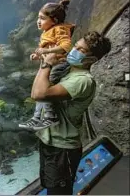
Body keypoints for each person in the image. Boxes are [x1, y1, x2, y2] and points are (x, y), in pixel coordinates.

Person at [31, 31, 111, 195]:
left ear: (92, 59)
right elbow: (41, 84)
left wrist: (47, 65)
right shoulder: (68, 70)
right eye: (76, 46)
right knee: (50, 186)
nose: (74, 50)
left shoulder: (83, 80)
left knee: (59, 192)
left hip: (63, 148)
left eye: (81, 50)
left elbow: (38, 94)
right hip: (51, 143)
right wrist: (45, 62)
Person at [19, 0, 76, 130]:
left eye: (42, 18)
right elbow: (48, 49)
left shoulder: (59, 29)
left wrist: (46, 50)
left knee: (44, 90)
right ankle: (36, 117)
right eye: (38, 18)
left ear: (54, 20)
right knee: (39, 90)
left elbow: (66, 46)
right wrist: (39, 55)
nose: (38, 21)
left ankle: (51, 117)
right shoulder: (47, 31)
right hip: (48, 64)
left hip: (58, 65)